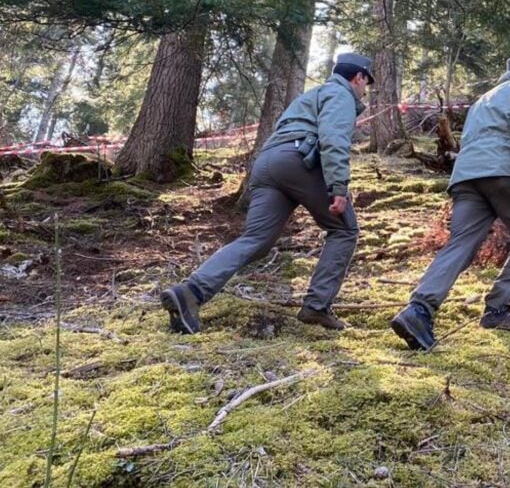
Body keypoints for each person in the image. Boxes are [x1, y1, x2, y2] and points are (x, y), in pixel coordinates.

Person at [160, 53, 374, 334]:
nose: (364, 90)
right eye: (366, 84)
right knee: (345, 230)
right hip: (300, 161)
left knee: (256, 240)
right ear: (358, 77)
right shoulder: (341, 95)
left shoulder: (312, 95)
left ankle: (191, 292)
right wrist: (338, 187)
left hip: (267, 163)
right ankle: (316, 307)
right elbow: (333, 138)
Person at [391, 56, 510, 351]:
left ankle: (419, 311)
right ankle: (497, 310)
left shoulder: (483, 99)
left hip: (466, 178)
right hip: (503, 175)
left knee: (460, 244)